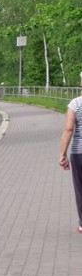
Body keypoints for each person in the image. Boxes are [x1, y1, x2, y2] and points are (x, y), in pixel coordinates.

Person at [59, 71, 82, 234]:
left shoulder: (75, 104)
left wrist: (62, 153)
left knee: (80, 189)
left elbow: (68, 129)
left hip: (79, 153)